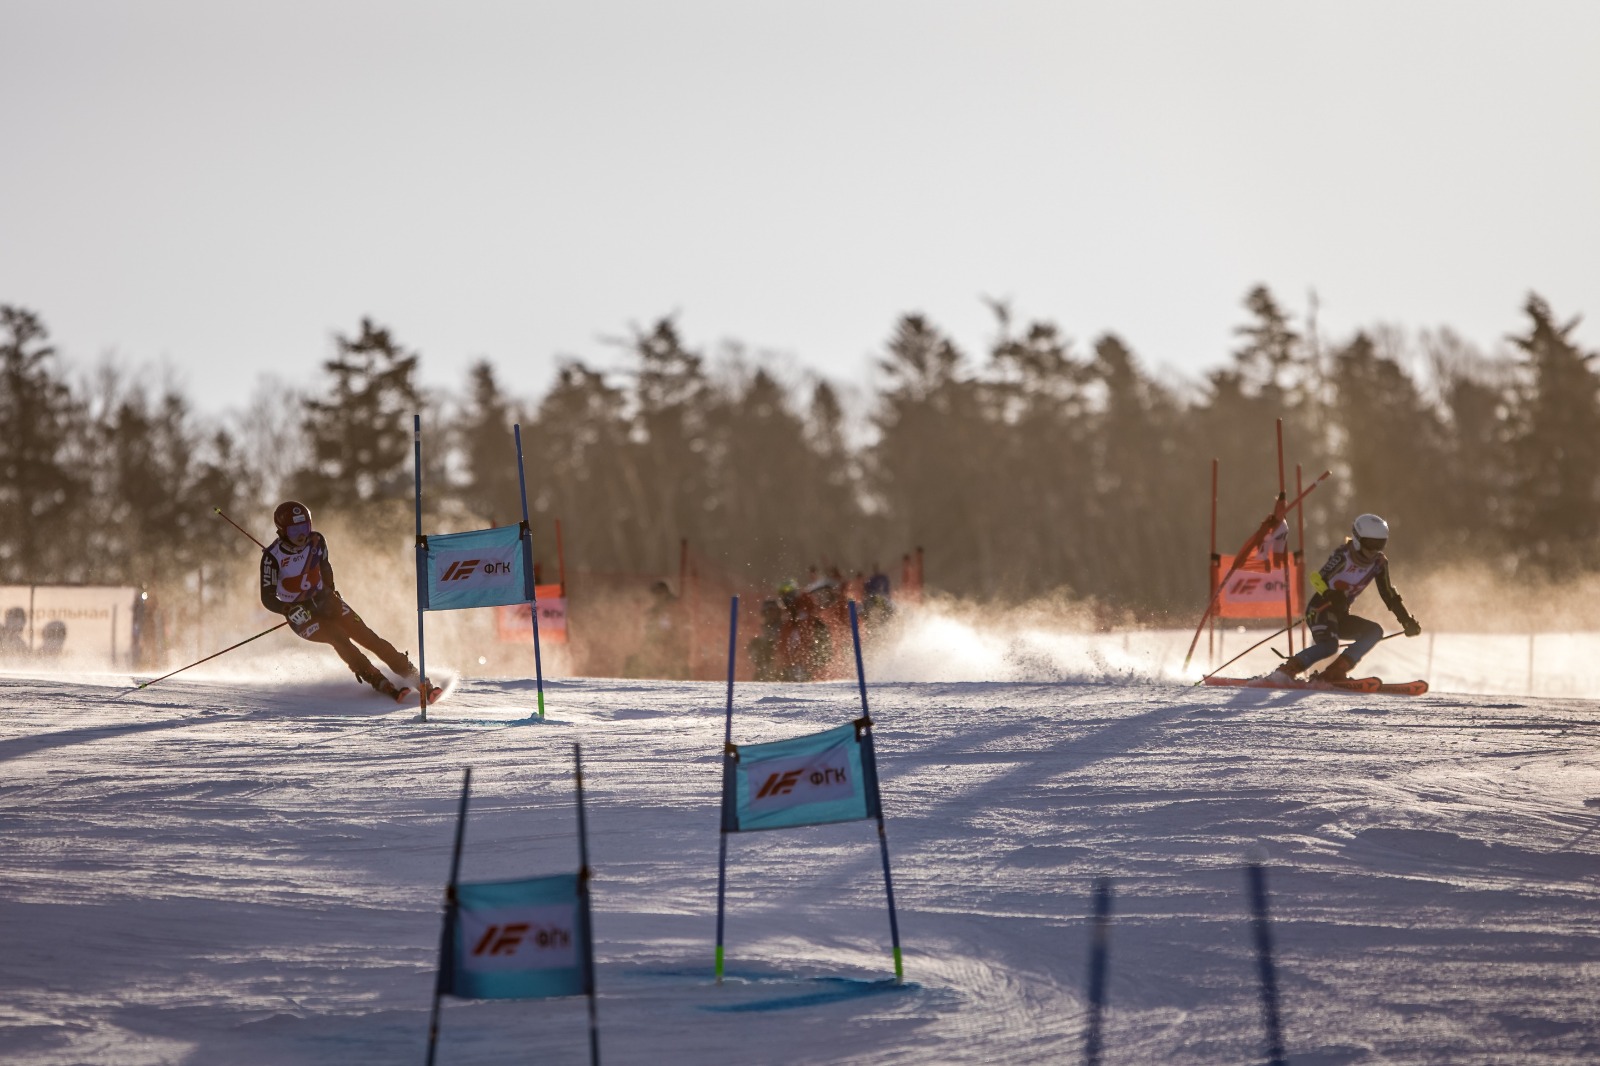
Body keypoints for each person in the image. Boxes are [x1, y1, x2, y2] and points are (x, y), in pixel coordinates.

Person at [259, 500, 429, 702]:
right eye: (295, 531)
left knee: (367, 637)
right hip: (301, 615)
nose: (302, 536)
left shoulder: (317, 541)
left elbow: (325, 568)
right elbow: (267, 597)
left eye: (305, 528)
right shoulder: (272, 557)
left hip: (326, 601)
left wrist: (330, 591)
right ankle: (376, 679)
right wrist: (287, 609)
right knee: (337, 637)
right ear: (282, 531)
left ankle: (413, 675)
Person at [1264, 513, 1422, 684]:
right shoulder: (1343, 556)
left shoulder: (1379, 564)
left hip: (1341, 615)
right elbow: (1316, 578)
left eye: (1380, 544)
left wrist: (1406, 620)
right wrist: (1330, 594)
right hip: (1321, 609)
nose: (1374, 550)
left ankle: (1336, 671)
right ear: (1358, 539)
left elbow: (1388, 594)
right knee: (1330, 646)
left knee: (1374, 631)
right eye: (1370, 543)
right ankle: (1288, 669)